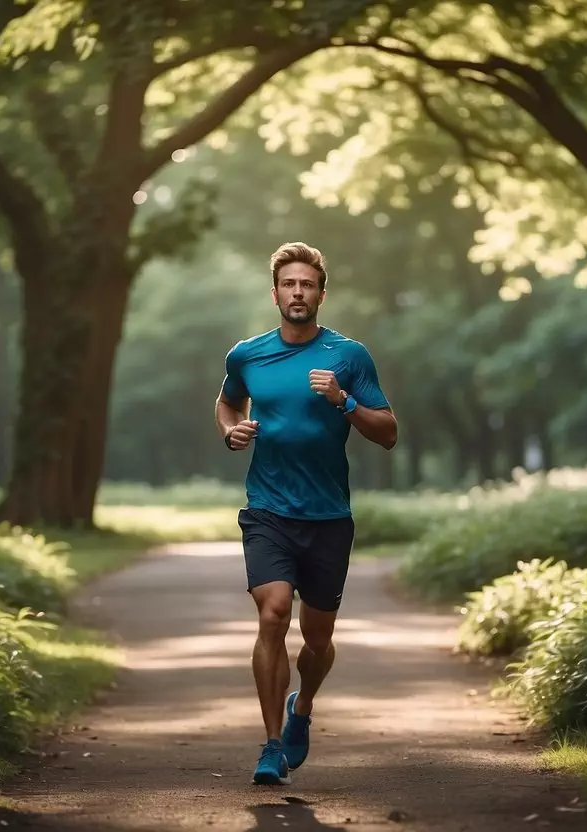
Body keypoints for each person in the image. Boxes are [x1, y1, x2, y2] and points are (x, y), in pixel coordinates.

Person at [214, 241, 398, 785]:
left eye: (308, 285)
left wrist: (343, 401)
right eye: (289, 284)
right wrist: (232, 430)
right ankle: (271, 745)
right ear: (275, 293)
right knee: (272, 613)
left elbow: (388, 433)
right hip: (268, 509)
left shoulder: (348, 356)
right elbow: (228, 401)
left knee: (316, 642)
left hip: (328, 516)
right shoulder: (246, 355)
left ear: (321, 293)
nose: (299, 292)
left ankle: (303, 708)